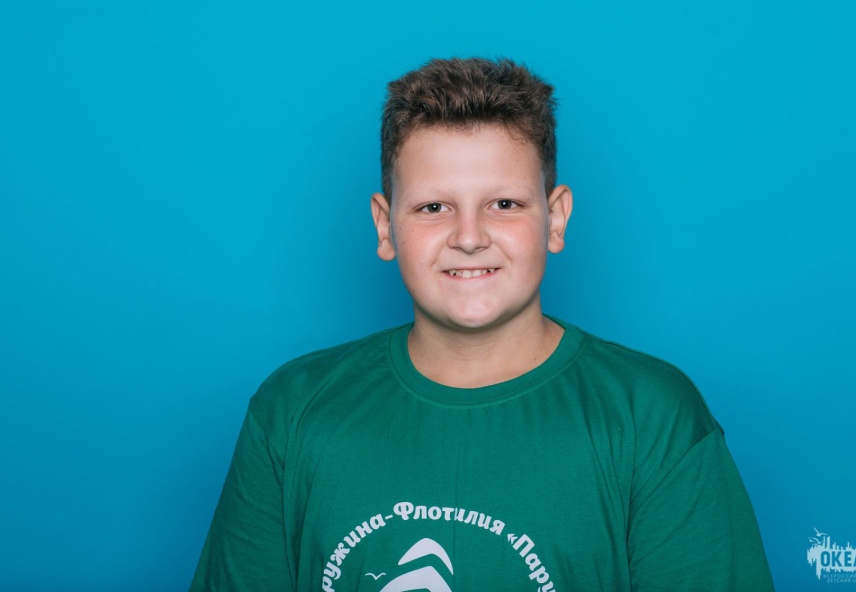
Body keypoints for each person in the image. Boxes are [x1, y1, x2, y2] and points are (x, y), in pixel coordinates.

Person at [190, 57, 774, 591]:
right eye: (433, 207)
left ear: (556, 218)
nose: (469, 238)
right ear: (385, 226)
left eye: (504, 204)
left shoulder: (650, 417)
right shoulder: (292, 413)